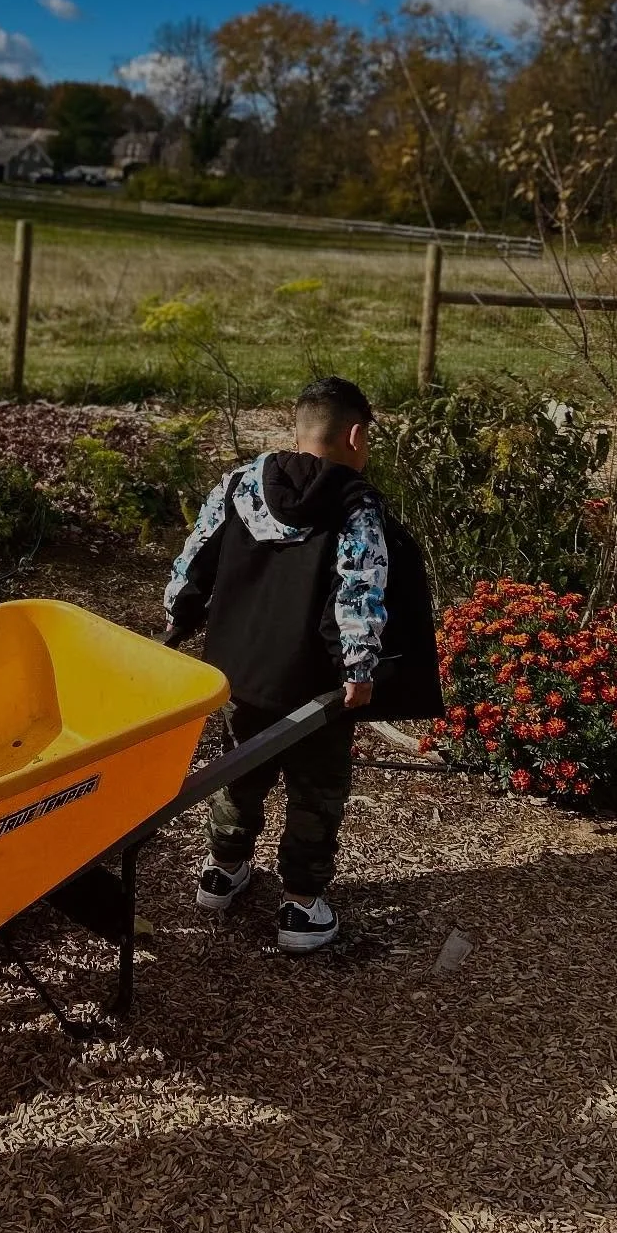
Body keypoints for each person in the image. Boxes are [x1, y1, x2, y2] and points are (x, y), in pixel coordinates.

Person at [162, 376, 442, 954]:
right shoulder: (354, 503)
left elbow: (193, 560)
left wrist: (178, 620)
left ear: (299, 427)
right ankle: (301, 905)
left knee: (239, 771)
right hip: (315, 689)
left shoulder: (240, 483)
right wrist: (360, 669)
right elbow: (360, 591)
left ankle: (223, 872)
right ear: (356, 434)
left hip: (236, 672)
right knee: (316, 789)